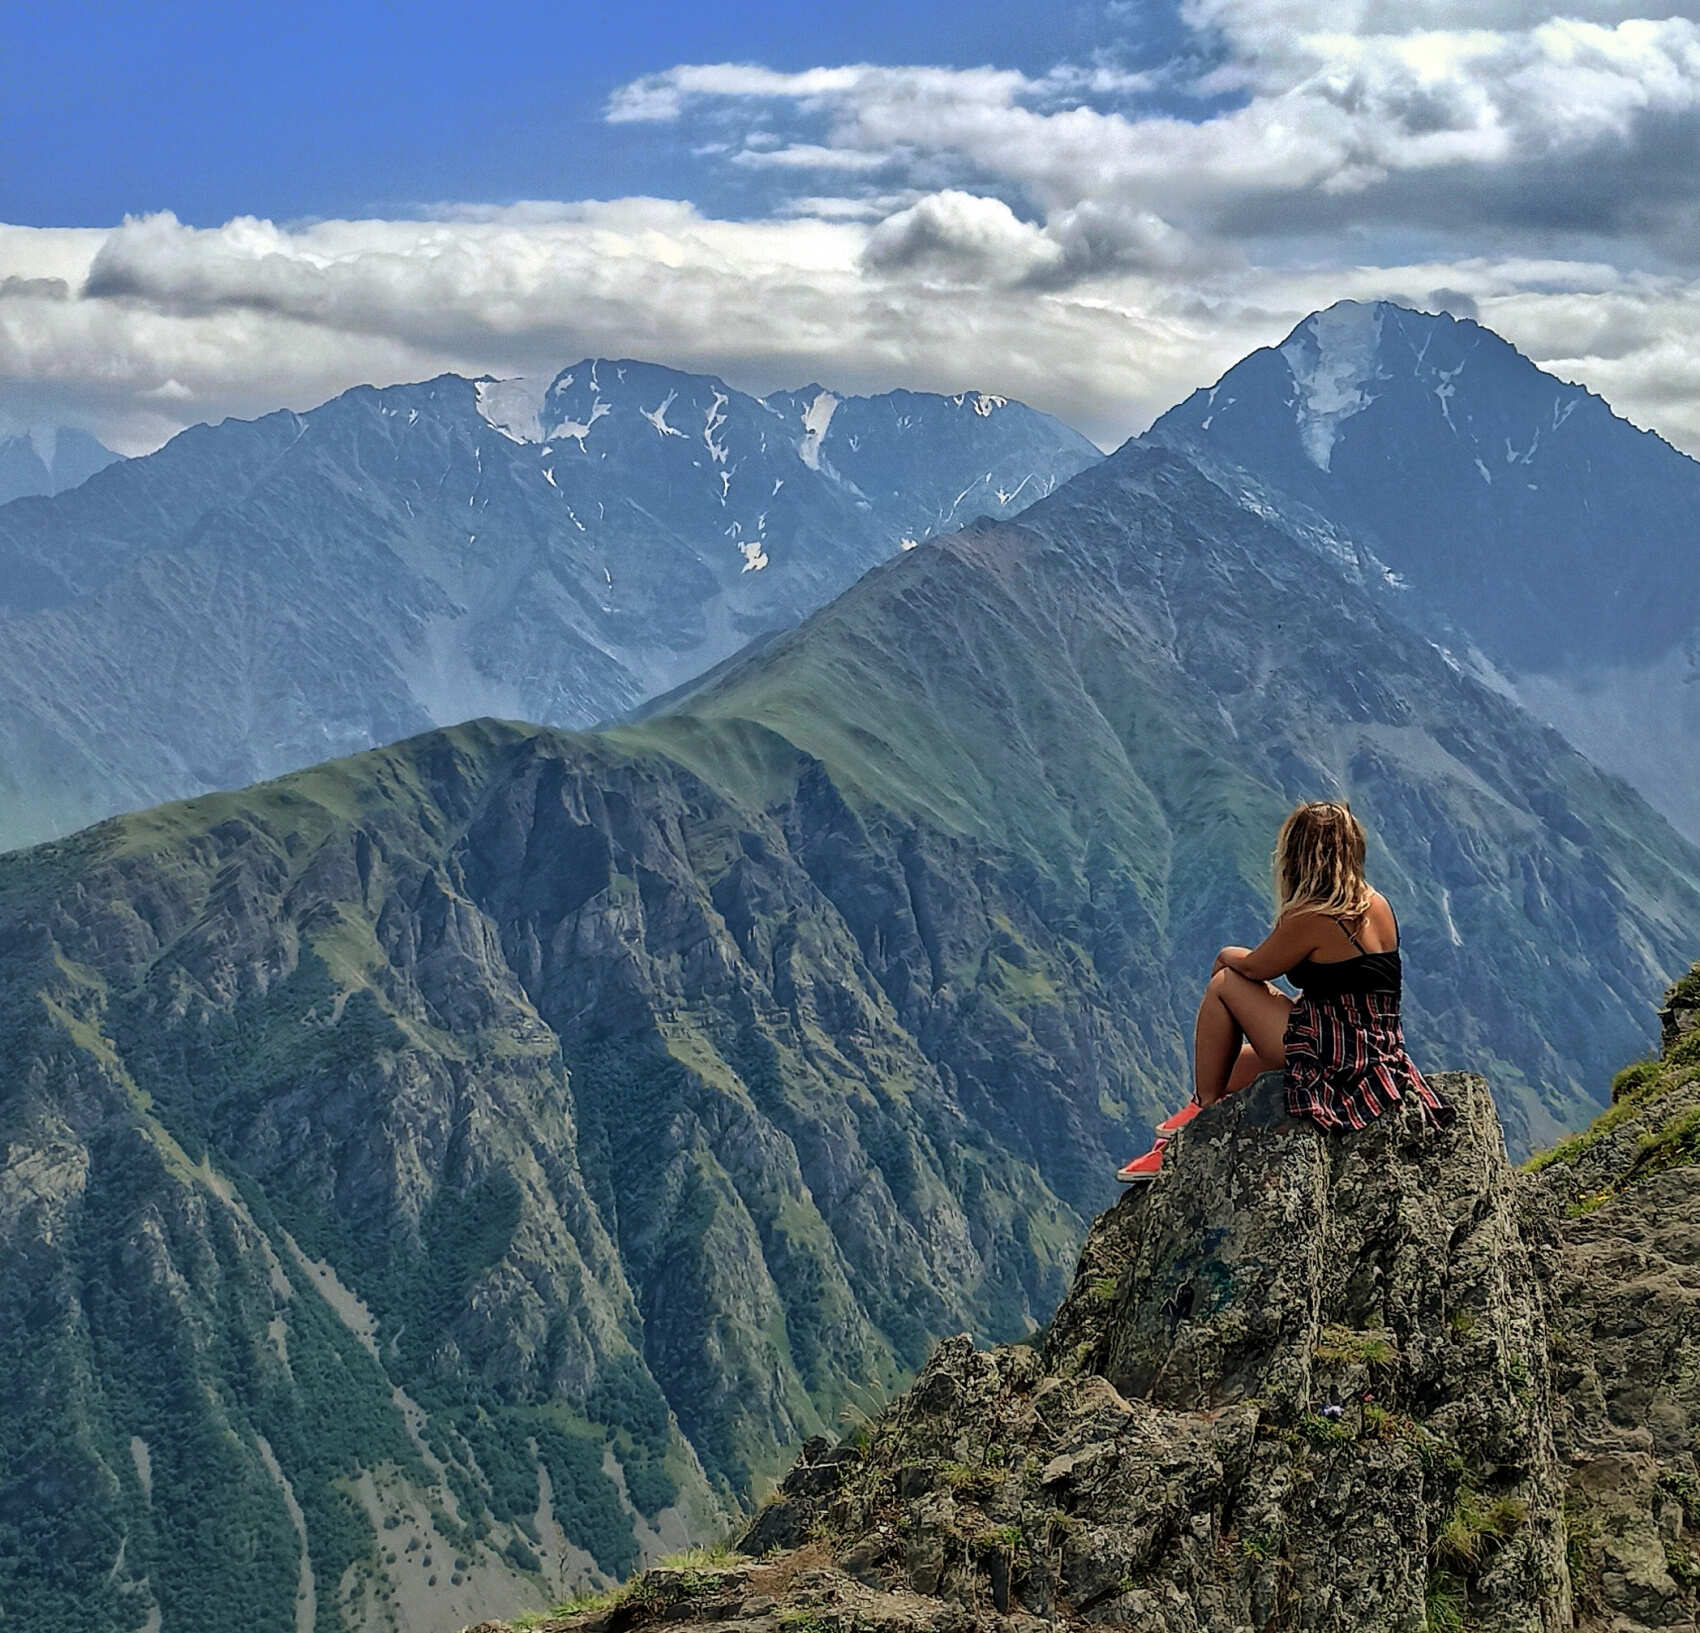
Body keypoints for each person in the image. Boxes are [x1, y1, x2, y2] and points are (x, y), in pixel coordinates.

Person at [1117, 800, 1451, 1182]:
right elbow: (1352, 990)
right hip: (1373, 1052)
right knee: (1226, 1067)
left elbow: (1257, 967)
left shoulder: (1312, 916)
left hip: (1330, 1054)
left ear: (1299, 854)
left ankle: (1200, 1124)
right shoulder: (1377, 904)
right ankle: (1190, 1121)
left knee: (1225, 984)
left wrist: (1225, 955)